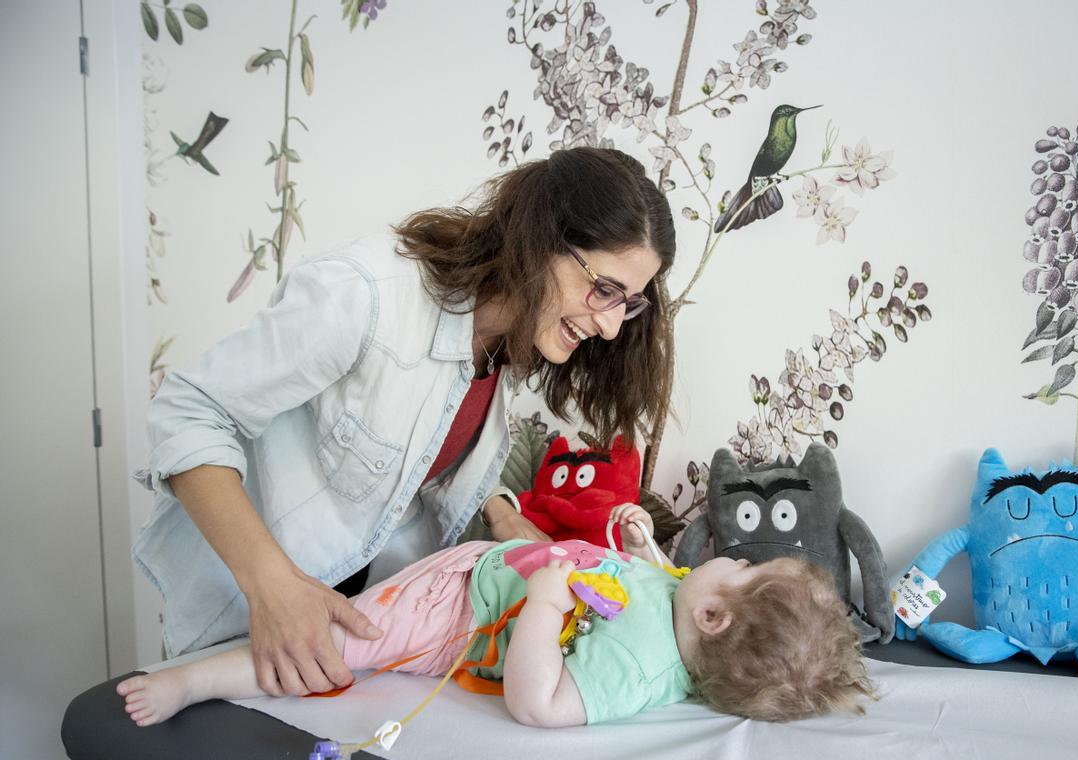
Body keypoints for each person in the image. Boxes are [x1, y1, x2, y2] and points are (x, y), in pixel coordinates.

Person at [133, 147, 676, 700]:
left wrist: (501, 514)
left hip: (351, 631)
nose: (611, 327)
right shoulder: (364, 297)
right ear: (541, 240)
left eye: (627, 303)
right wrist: (270, 584)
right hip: (244, 614)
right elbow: (190, 412)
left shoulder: (507, 341)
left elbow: (415, 445)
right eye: (604, 289)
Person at [118, 505, 875, 726]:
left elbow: (538, 702)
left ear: (714, 617)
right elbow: (651, 582)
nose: (730, 557)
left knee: (331, 645)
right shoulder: (681, 607)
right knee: (344, 605)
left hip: (453, 612)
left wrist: (545, 603)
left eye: (742, 567)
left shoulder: (639, 670)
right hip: (478, 571)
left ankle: (191, 682)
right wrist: (643, 544)